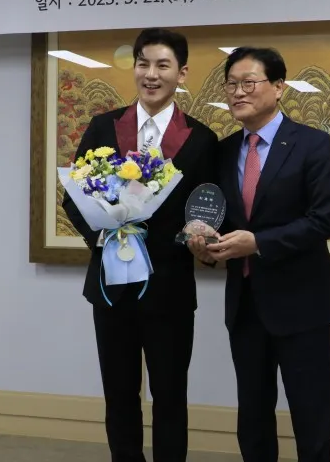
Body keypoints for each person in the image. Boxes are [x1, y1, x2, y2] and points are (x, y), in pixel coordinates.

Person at [62, 28, 218, 462]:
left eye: (163, 65)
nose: (151, 74)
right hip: (111, 286)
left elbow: (207, 209)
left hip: (170, 287)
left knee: (170, 395)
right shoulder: (104, 127)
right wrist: (104, 234)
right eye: (143, 63)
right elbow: (73, 197)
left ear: (181, 74)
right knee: (119, 393)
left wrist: (200, 239)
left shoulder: (201, 139)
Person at [188, 46, 330, 462]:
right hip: (246, 304)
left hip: (302, 304)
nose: (238, 92)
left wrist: (258, 243)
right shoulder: (222, 151)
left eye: (249, 83)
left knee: (311, 416)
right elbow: (216, 220)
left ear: (278, 87)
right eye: (231, 84)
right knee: (253, 417)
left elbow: (322, 221)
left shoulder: (313, 144)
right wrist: (205, 247)